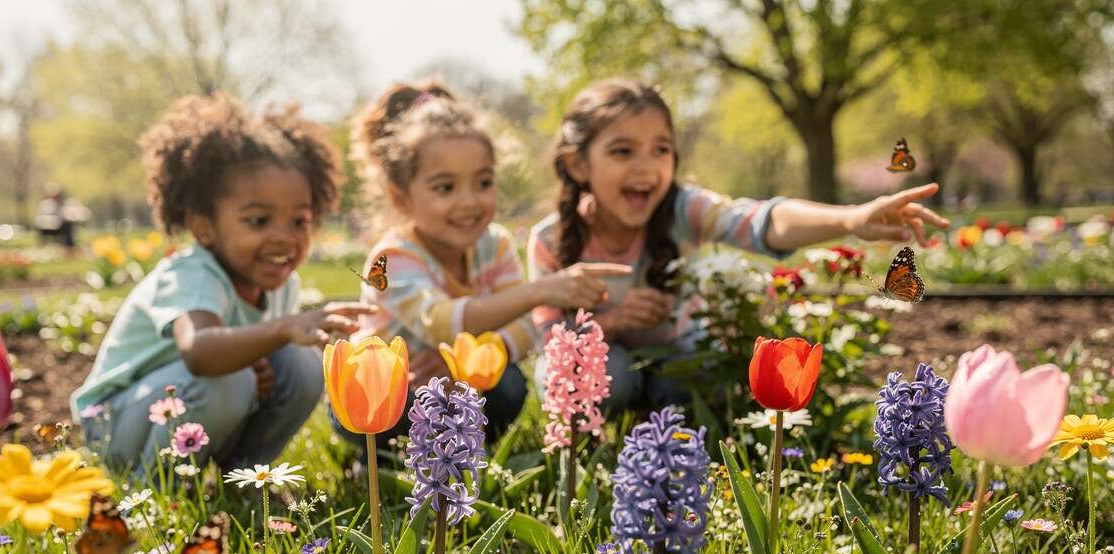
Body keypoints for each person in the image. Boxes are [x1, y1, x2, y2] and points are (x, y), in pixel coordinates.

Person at [528, 79, 949, 413]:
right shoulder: (551, 240)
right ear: (578, 164)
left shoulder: (682, 209)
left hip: (680, 358)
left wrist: (850, 219)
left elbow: (762, 222)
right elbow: (549, 339)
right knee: (606, 374)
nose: (646, 166)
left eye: (661, 149)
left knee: (698, 377)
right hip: (609, 365)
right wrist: (614, 321)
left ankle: (665, 405)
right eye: (622, 151)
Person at [71, 92, 374, 474]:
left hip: (194, 407)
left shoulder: (282, 286)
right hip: (117, 425)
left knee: (302, 365)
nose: (284, 237)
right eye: (258, 221)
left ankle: (243, 478)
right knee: (228, 377)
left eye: (298, 221)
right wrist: (280, 331)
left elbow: (259, 361)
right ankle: (155, 489)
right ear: (203, 226)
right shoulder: (192, 274)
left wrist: (264, 361)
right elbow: (200, 351)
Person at [339, 80, 628, 450]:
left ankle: (464, 456)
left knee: (504, 384)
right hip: (391, 390)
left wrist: (470, 361)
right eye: (445, 188)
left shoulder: (495, 245)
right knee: (401, 404)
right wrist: (539, 291)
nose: (469, 202)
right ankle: (384, 463)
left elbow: (526, 327)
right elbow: (439, 322)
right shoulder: (392, 259)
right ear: (402, 197)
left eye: (484, 182)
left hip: (455, 385)